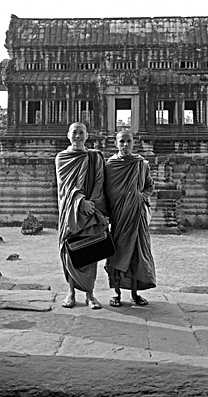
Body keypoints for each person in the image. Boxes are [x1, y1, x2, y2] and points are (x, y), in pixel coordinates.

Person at [55, 122, 108, 309]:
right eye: (74, 133)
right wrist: (80, 201)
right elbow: (64, 187)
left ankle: (90, 294)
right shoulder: (62, 158)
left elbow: (100, 181)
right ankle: (70, 292)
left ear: (87, 135)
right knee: (69, 251)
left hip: (90, 210)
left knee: (89, 252)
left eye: (81, 133)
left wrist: (91, 203)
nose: (78, 136)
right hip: (70, 210)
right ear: (68, 135)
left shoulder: (95, 157)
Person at [104, 130, 156, 307]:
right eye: (121, 141)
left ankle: (134, 293)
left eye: (128, 141)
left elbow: (149, 186)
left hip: (137, 216)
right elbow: (104, 191)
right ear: (115, 143)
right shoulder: (110, 165)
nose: (125, 145)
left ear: (134, 143)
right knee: (117, 254)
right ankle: (116, 293)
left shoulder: (141, 164)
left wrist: (141, 197)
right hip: (118, 217)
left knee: (136, 255)